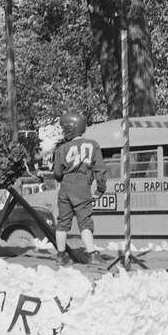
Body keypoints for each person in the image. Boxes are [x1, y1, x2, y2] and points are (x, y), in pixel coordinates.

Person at [52, 111, 106, 266]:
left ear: (70, 128)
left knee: (62, 223)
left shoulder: (61, 149)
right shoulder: (93, 145)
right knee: (85, 222)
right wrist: (100, 189)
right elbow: (100, 169)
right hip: (82, 188)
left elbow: (57, 173)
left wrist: (64, 179)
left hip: (65, 187)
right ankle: (92, 255)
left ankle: (61, 256)